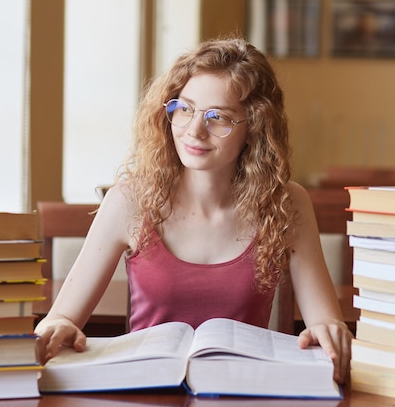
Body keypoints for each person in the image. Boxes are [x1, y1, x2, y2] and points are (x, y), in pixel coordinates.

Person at [34, 37, 352, 383]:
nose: (195, 131)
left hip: (246, 391)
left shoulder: (288, 203)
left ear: (254, 129)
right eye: (184, 109)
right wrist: (56, 329)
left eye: (219, 118)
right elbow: (62, 318)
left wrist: (331, 334)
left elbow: (325, 323)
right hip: (143, 388)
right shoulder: (129, 200)